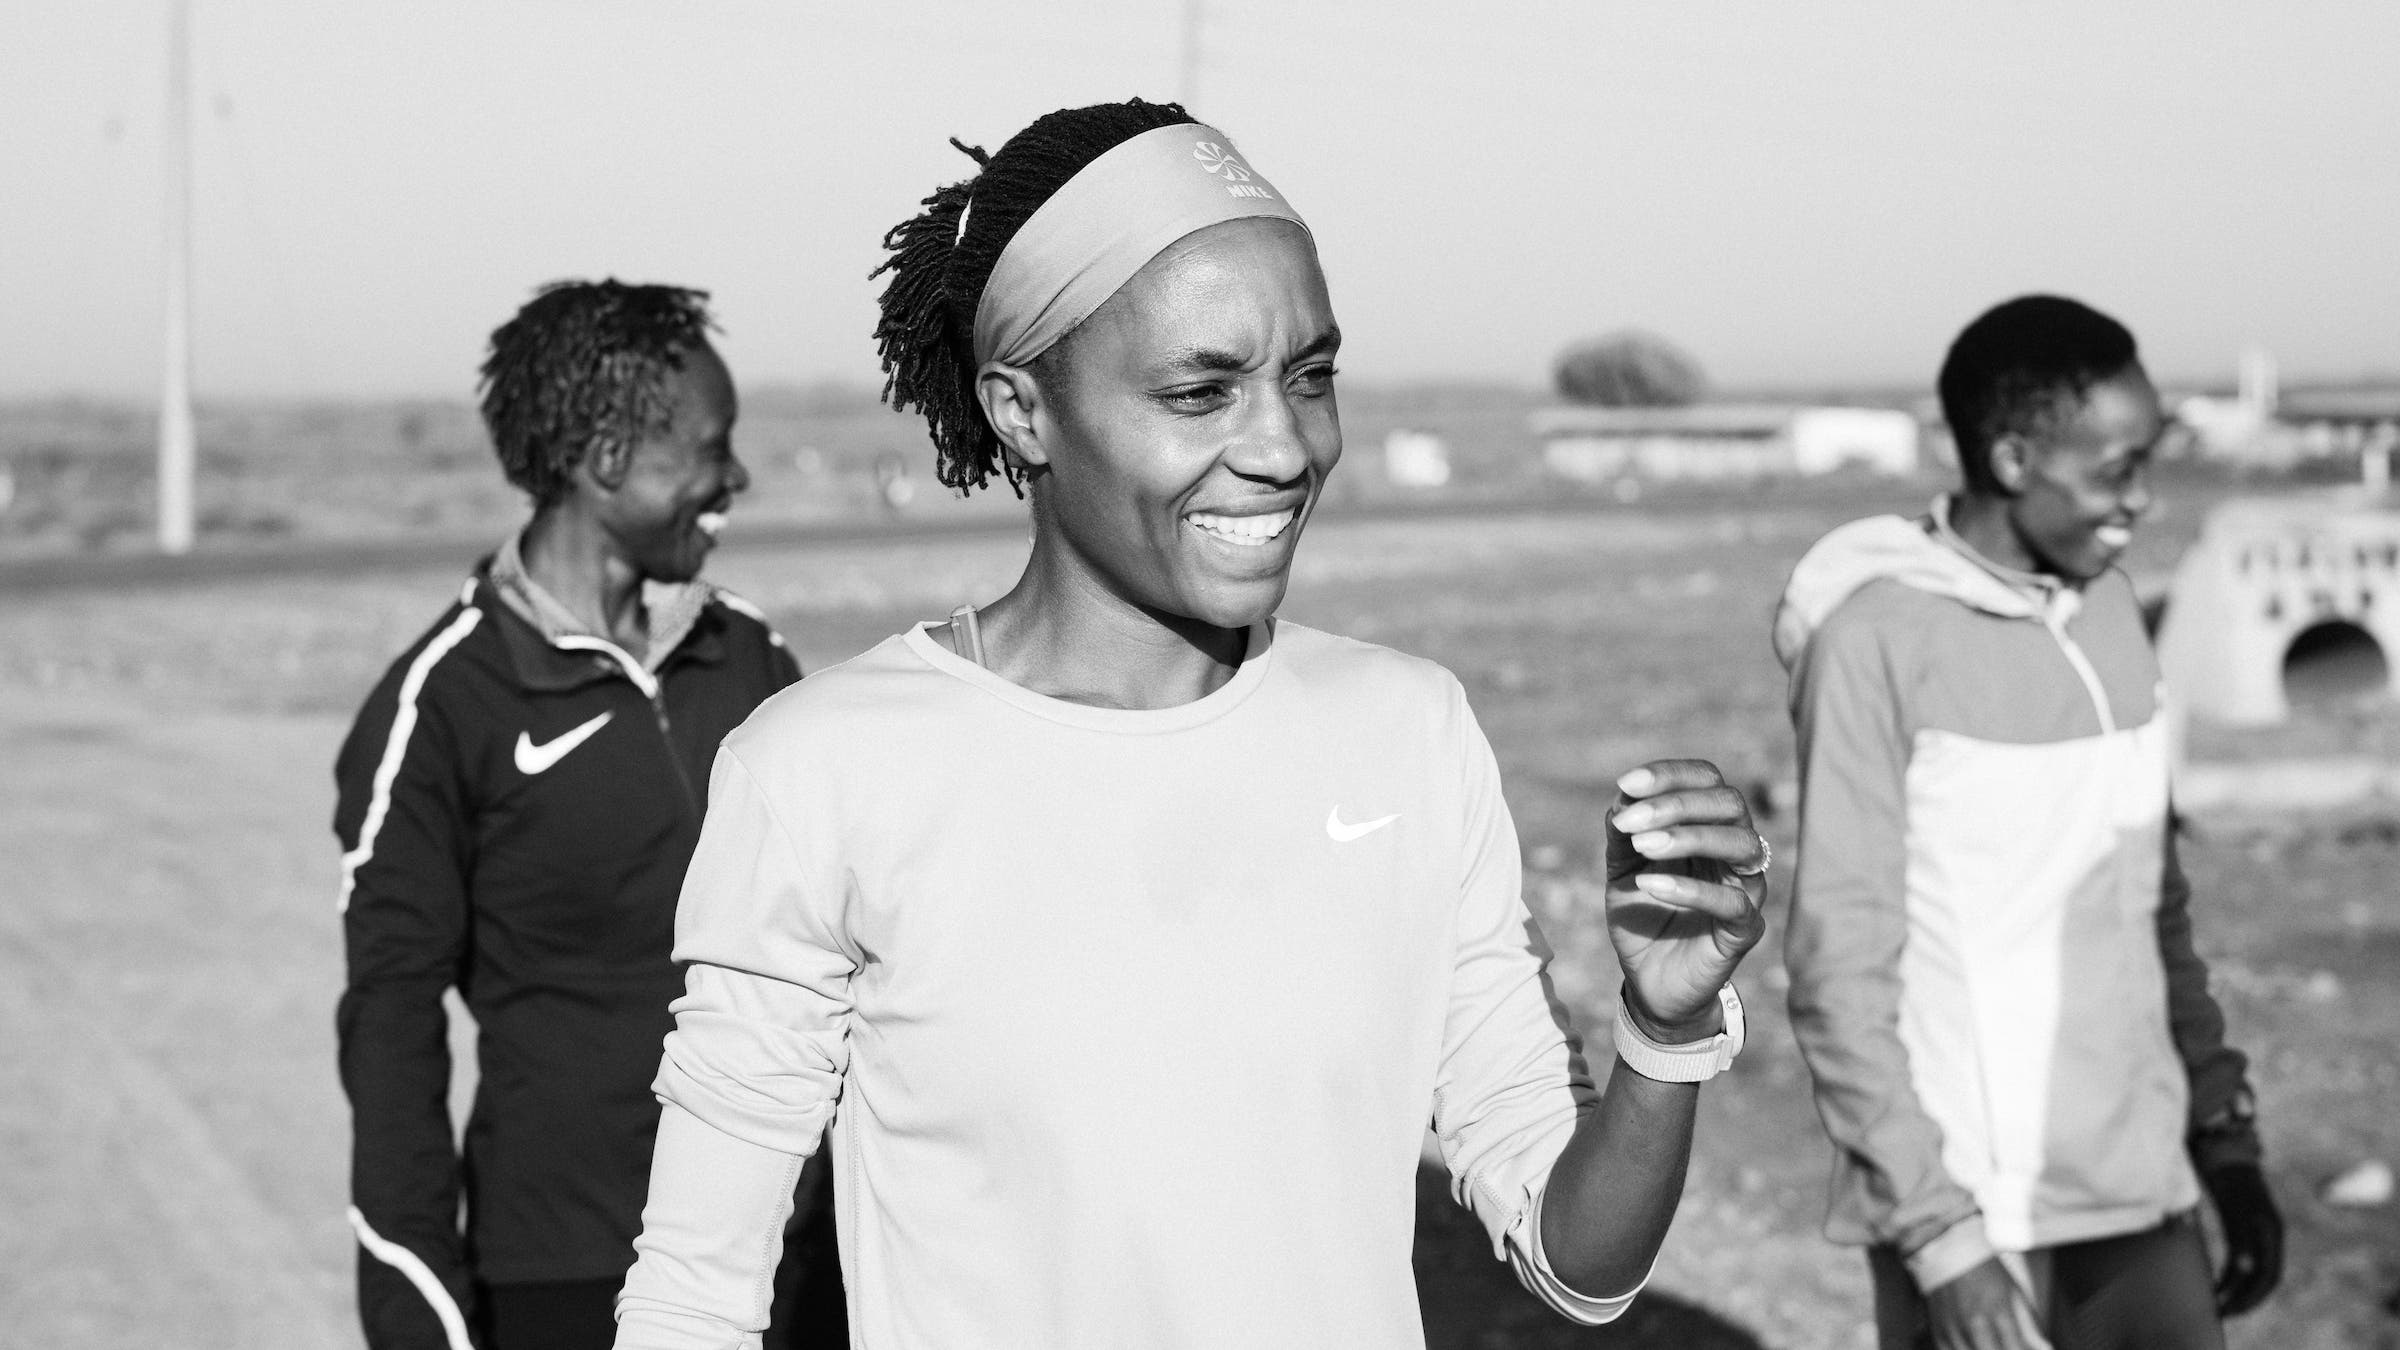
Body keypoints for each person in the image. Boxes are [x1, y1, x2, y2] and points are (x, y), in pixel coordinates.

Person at [610, 98, 1771, 1349]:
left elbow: (1577, 1263)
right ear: (1021, 412)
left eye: (1309, 376)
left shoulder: (1405, 732)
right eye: (1200, 390)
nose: (1284, 446)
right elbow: (696, 1295)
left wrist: (1665, 1031)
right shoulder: (827, 771)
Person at [334, 280, 841, 1350]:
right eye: (714, 447)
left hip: (791, 1263)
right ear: (610, 461)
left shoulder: (753, 656)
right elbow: (391, 1034)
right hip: (570, 1278)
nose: (736, 477)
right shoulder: (442, 705)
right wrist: (420, 1315)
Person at [1773, 295, 2283, 1350]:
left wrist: (2224, 1136)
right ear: (2011, 457)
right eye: (2113, 468)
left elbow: (2155, 908)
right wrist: (1940, 1237)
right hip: (1977, 1215)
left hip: (2142, 1188)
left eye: (2150, 461)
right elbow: (1840, 969)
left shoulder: (2111, 615)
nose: (2142, 499)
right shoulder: (1874, 643)